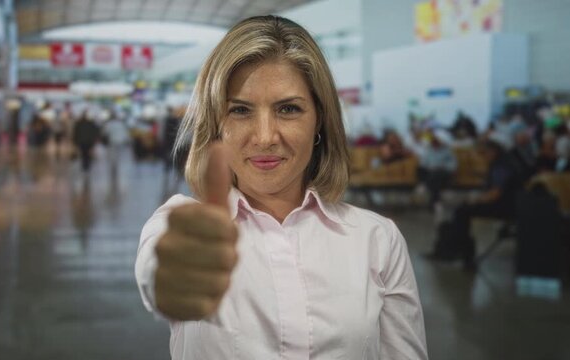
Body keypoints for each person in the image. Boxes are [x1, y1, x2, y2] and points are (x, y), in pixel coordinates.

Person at [134, 16, 427, 359]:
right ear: (216, 125)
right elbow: (160, 269)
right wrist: (178, 275)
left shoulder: (377, 240)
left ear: (319, 118)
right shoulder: (178, 223)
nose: (265, 137)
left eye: (288, 109)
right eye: (240, 110)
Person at [426, 138, 522, 269]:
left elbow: (495, 194)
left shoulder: (501, 167)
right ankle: (459, 248)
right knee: (462, 210)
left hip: (505, 206)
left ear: (493, 152)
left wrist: (475, 200)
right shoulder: (504, 163)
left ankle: (463, 251)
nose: (483, 157)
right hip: (510, 204)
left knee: (462, 212)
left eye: (485, 153)